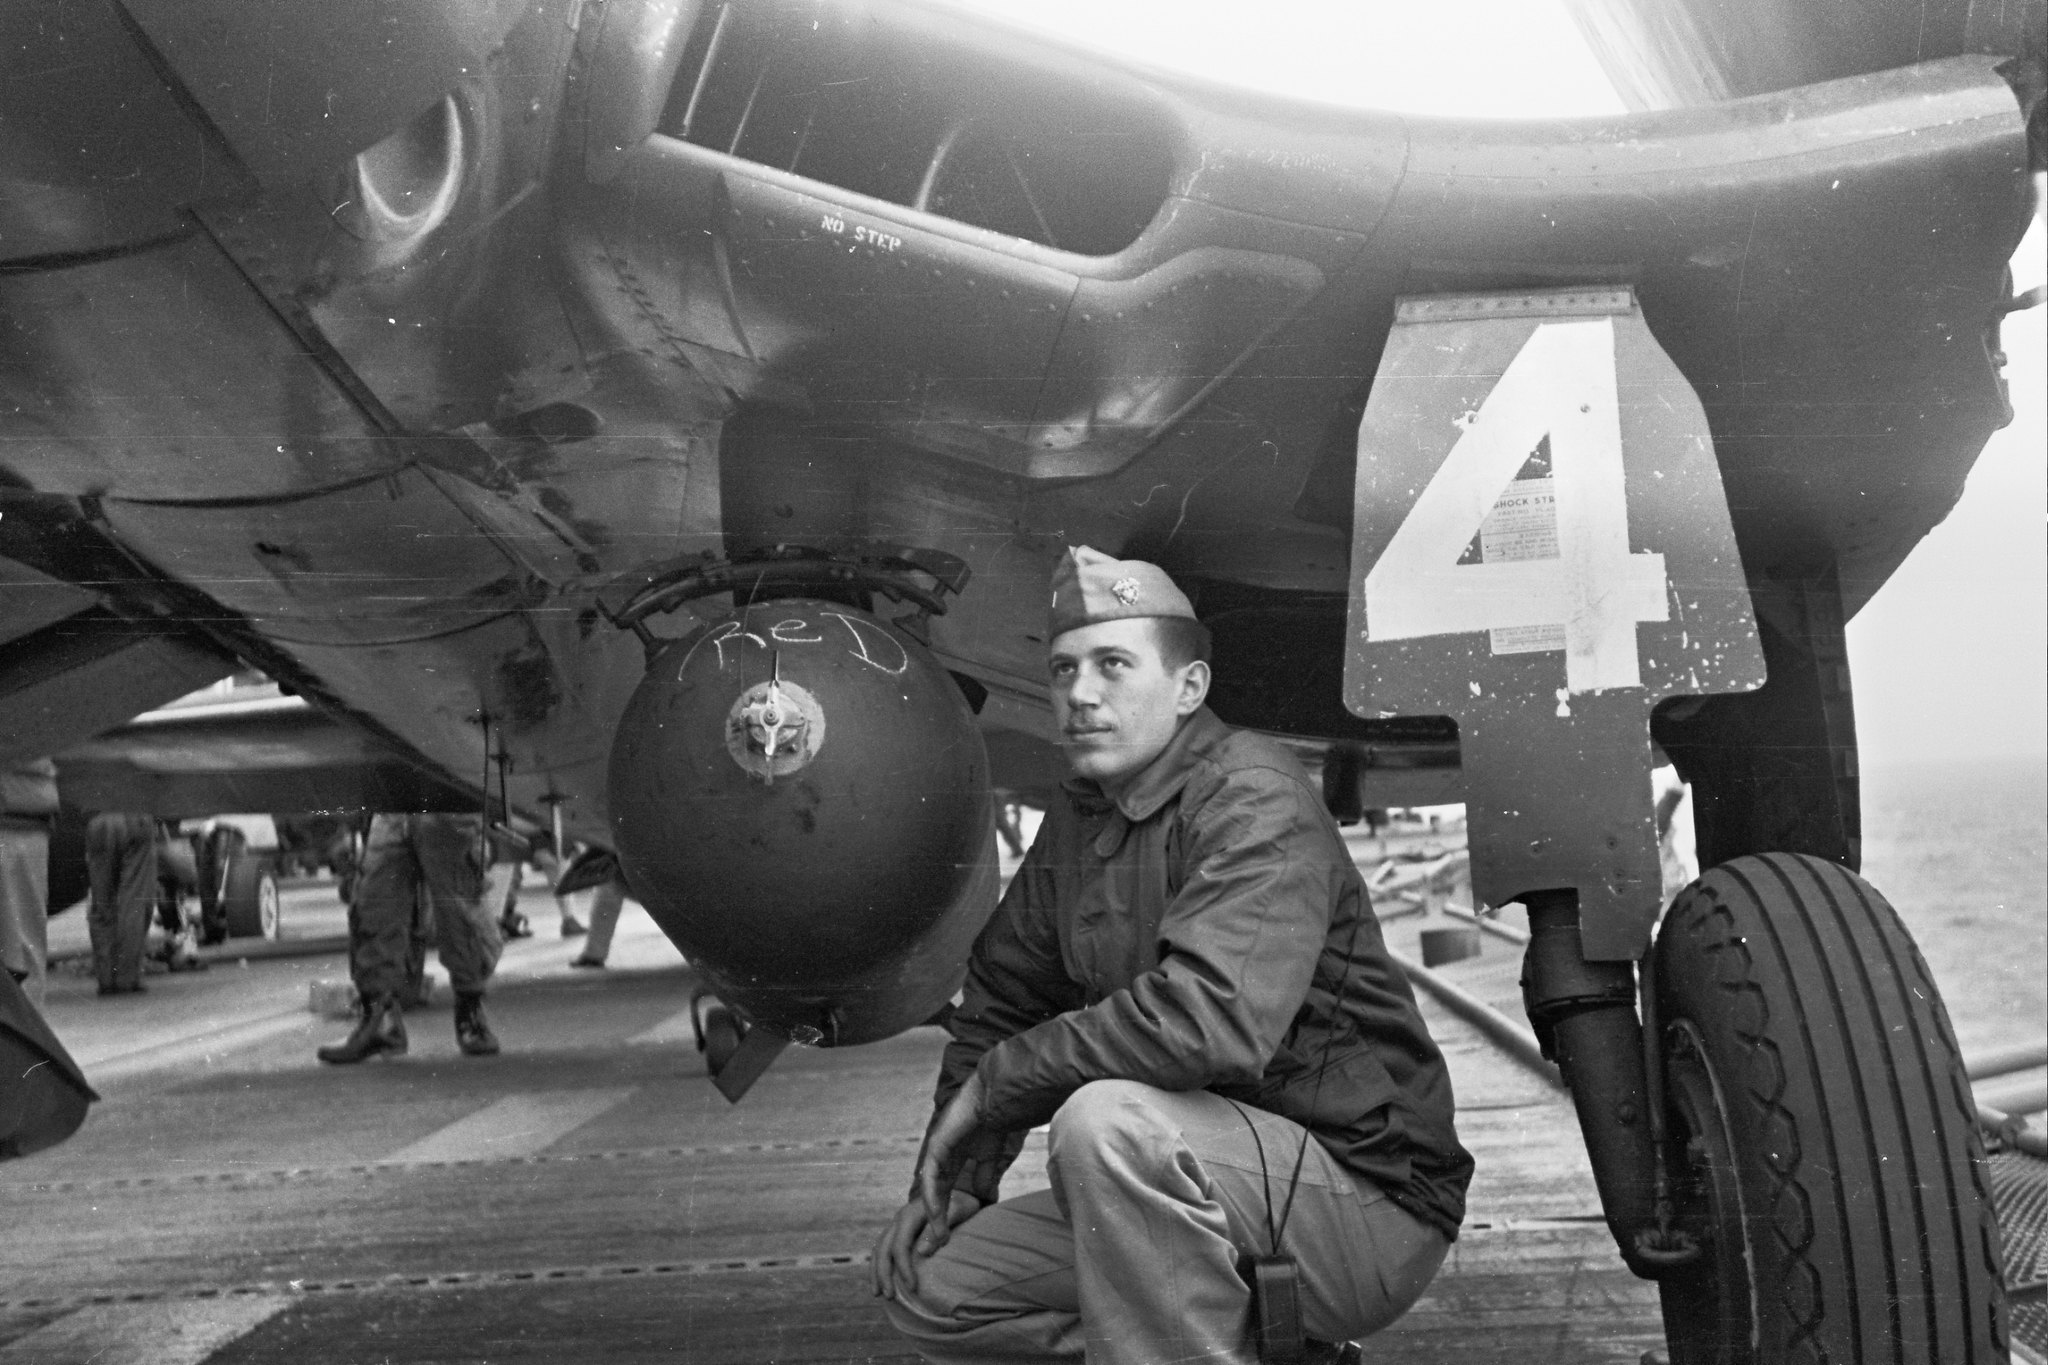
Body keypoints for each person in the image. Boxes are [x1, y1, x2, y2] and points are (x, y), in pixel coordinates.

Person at [872, 547, 1473, 1364]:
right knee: (930, 1287)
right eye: (1063, 669)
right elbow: (1004, 997)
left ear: (1189, 687)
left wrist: (999, 1083)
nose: (1081, 694)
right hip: (1202, 1182)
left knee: (1104, 1125)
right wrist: (952, 1177)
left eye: (1112, 665)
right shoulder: (1086, 814)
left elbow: (1208, 1023)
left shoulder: (1251, 795)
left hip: (1361, 1199)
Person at [317, 812, 504, 1063]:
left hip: (446, 803)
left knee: (458, 907)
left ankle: (471, 1010)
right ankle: (381, 1021)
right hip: (393, 803)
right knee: (375, 901)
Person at [0, 760, 60, 1007]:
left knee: (21, 947)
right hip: (20, 814)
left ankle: (24, 1021)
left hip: (18, 813)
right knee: (23, 946)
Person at [85, 811, 158, 996]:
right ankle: (127, 977)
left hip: (98, 821)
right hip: (135, 816)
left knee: (102, 902)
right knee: (134, 902)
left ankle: (106, 978)